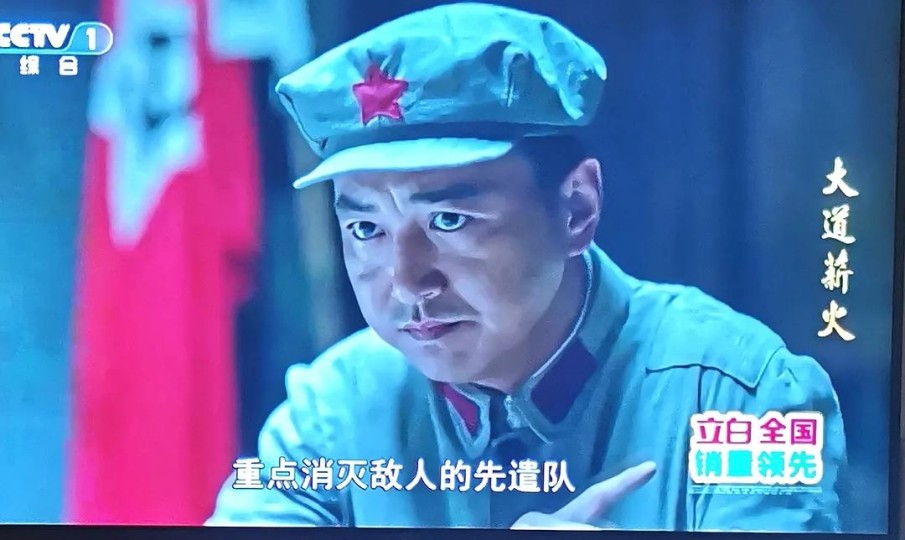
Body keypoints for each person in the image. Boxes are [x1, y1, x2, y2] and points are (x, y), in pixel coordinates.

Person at [206, 2, 846, 531]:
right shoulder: (335, 411)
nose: (405, 281)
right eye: (366, 229)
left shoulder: (742, 396)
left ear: (576, 209)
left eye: (449, 221)